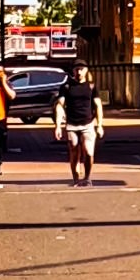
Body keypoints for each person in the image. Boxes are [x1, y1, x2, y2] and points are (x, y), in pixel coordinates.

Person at [58, 56, 103, 186]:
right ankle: (76, 179)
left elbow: (98, 105)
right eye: (76, 69)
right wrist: (58, 125)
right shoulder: (66, 87)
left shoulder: (91, 86)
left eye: (81, 69)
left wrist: (100, 125)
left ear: (86, 70)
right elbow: (60, 105)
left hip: (88, 124)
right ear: (73, 71)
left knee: (88, 152)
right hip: (71, 125)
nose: (79, 72)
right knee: (74, 151)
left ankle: (87, 177)